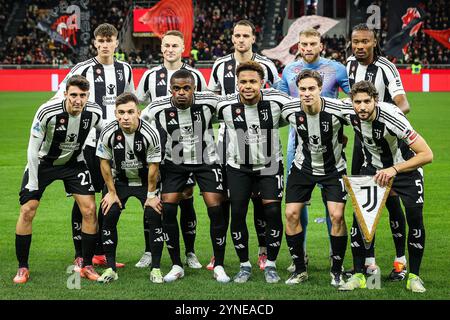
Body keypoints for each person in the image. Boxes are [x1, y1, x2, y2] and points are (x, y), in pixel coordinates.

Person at [338, 80, 433, 293]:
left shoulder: (393, 118)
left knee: (415, 218)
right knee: (359, 220)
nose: (361, 107)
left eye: (366, 102)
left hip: (404, 169)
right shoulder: (348, 109)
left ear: (376, 101)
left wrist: (395, 170)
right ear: (351, 102)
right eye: (357, 102)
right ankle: (360, 275)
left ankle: (414, 277)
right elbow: (321, 106)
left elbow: (427, 154)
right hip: (372, 168)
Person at [55, 23, 134, 271]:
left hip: (115, 145)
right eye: (101, 40)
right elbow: (60, 96)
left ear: (116, 43)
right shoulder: (83, 69)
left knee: (108, 197)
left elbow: (130, 100)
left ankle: (100, 252)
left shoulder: (125, 69)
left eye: (110, 40)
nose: (105, 44)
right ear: (95, 43)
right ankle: (80, 253)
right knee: (84, 198)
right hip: (88, 144)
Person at [141, 69, 230, 283]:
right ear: (170, 90)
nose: (181, 92)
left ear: (194, 89)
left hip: (207, 160)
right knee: (168, 208)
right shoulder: (157, 107)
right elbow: (140, 125)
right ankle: (176, 265)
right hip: (175, 163)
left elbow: (232, 110)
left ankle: (218, 264)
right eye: (177, 89)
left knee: (216, 208)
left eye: (186, 88)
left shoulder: (209, 101)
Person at [13, 75, 104, 284]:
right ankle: (22, 267)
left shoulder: (94, 112)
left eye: (83, 95)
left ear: (88, 96)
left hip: (74, 163)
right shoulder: (47, 111)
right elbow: (32, 149)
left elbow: (105, 131)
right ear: (65, 94)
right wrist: (33, 182)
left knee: (89, 210)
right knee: (28, 210)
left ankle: (86, 264)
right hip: (44, 163)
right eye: (73, 95)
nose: (78, 100)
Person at [208, 20, 281, 271]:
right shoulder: (219, 65)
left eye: (245, 35)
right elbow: (212, 96)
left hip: (263, 142)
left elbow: (278, 96)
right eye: (237, 35)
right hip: (228, 141)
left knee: (265, 203)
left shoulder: (268, 65)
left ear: (253, 38)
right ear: (232, 38)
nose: (240, 39)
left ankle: (263, 252)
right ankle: (221, 253)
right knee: (229, 201)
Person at [136, 30, 208, 269]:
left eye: (174, 45)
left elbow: (205, 107)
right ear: (161, 48)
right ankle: (149, 250)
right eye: (166, 45)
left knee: (186, 199)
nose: (169, 49)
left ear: (183, 47)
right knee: (153, 199)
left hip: (187, 150)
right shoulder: (149, 76)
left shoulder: (195, 75)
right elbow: (138, 107)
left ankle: (190, 252)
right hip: (157, 151)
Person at [279, 28, 350, 272]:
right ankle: (301, 254)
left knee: (334, 206)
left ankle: (334, 254)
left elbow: (354, 100)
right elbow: (280, 102)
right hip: (296, 144)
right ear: (298, 46)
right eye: (303, 44)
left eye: (312, 43)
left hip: (331, 145)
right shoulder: (289, 70)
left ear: (321, 45)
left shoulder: (337, 69)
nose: (307, 47)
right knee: (298, 203)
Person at [216, 61, 292, 283]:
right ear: (237, 84)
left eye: (252, 82)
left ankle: (270, 264)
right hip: (238, 167)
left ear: (262, 83)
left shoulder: (277, 101)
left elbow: (302, 114)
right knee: (238, 214)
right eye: (243, 82)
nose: (247, 86)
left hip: (270, 166)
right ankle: (244, 265)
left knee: (272, 214)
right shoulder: (225, 105)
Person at [347, 23, 411, 279]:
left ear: (374, 42)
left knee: (392, 201)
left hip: (387, 145)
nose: (360, 46)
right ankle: (368, 263)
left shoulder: (386, 67)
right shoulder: (350, 63)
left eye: (365, 41)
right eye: (355, 41)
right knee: (362, 206)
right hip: (361, 146)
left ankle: (400, 262)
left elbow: (403, 103)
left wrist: (383, 118)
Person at [95, 93, 162, 283]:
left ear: (138, 113)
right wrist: (111, 193)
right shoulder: (108, 132)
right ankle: (110, 268)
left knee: (154, 214)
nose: (125, 117)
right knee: (109, 214)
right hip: (120, 182)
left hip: (145, 182)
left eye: (130, 112)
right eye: (121, 112)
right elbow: (104, 163)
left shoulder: (150, 133)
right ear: (116, 114)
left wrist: (151, 196)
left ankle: (156, 268)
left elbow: (153, 168)